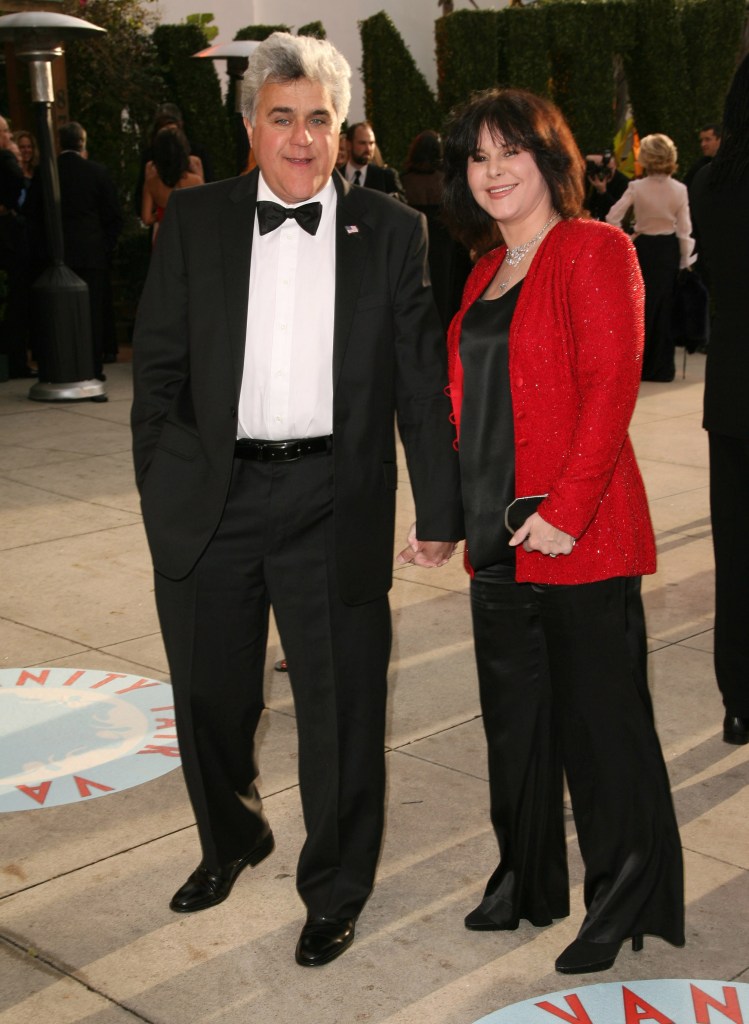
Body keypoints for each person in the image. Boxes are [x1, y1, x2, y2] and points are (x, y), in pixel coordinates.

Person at [131, 32, 462, 968]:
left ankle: (335, 886)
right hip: (214, 497)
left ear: (339, 127)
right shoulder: (193, 222)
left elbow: (416, 382)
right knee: (209, 696)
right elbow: (155, 372)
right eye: (283, 117)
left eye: (319, 118)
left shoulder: (393, 231)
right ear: (251, 125)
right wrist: (164, 486)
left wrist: (437, 510)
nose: (303, 137)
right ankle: (232, 837)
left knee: (342, 709)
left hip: (332, 495)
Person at [441, 87, 684, 975]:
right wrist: (449, 519)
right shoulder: (480, 272)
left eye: (511, 151)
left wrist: (564, 512)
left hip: (574, 533)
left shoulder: (595, 248)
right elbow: (470, 406)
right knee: (516, 724)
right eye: (477, 156)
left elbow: (609, 390)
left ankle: (620, 898)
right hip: (494, 533)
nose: (494, 169)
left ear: (551, 160)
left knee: (600, 726)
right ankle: (524, 879)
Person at [690, 57, 749, 746]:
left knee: (733, 554)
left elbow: (705, 273)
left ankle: (737, 700)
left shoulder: (708, 182)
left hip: (731, 390)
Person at [607, 133, 695, 382]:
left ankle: (638, 367)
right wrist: (686, 262)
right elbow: (684, 229)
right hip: (668, 250)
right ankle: (661, 368)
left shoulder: (637, 187)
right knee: (663, 309)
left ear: (646, 157)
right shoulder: (680, 189)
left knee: (639, 309)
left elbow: (613, 216)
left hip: (642, 248)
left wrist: (627, 238)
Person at [400, 129, 472, 332]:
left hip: (414, 245)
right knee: (443, 295)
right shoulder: (446, 181)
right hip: (444, 245)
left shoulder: (405, 180)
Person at [140, 125, 204, 244]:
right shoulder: (196, 181)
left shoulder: (151, 183)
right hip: (190, 237)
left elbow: (146, 218)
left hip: (164, 238)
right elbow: (203, 212)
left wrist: (160, 215)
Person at [344, 121, 406, 201]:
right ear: (348, 145)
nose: (368, 149)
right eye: (362, 143)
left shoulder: (386, 177)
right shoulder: (335, 176)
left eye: (371, 143)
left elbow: (402, 209)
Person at [582, 149, 628, 221]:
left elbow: (619, 209)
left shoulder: (623, 182)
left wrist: (603, 192)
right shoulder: (593, 176)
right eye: (603, 168)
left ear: (615, 166)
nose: (606, 172)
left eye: (610, 169)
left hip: (611, 223)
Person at [683, 123, 721, 191]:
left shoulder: (731, 166)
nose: (703, 144)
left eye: (707, 139)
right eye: (701, 140)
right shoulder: (698, 168)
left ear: (719, 140)